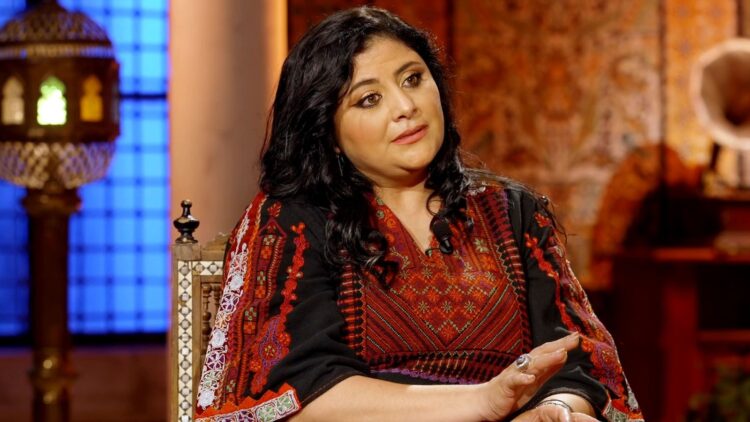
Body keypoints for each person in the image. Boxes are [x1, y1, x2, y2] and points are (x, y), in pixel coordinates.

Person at [194, 6, 644, 422]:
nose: (406, 107)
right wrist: (483, 402)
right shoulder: (292, 221)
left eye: (412, 79)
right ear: (328, 132)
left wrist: (555, 410)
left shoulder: (515, 212)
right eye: (369, 99)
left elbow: (579, 361)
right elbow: (296, 388)